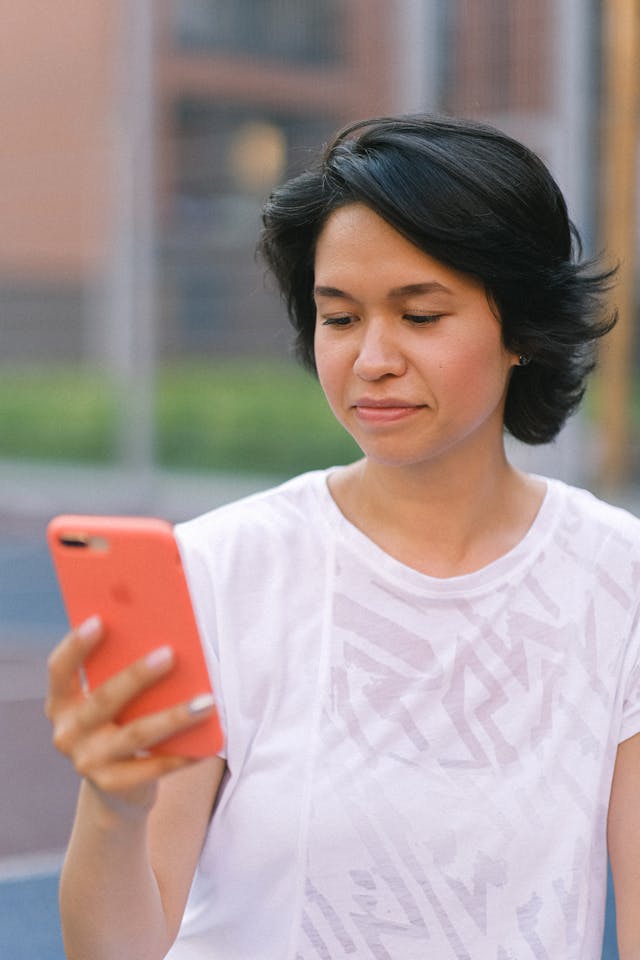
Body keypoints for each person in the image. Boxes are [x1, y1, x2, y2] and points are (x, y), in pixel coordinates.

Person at [46, 114, 639, 960]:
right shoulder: (220, 569)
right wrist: (112, 804)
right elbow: (116, 950)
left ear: (522, 332)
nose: (372, 359)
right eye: (339, 317)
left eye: (422, 315)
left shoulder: (619, 583)